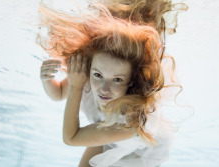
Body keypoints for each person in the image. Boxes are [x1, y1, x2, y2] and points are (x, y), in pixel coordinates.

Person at [38, 0, 187, 166]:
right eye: (97, 75)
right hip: (105, 129)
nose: (104, 89)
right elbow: (58, 94)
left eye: (117, 79)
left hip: (140, 150)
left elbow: (71, 138)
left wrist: (75, 86)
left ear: (131, 81)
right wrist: (47, 79)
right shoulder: (90, 74)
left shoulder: (132, 123)